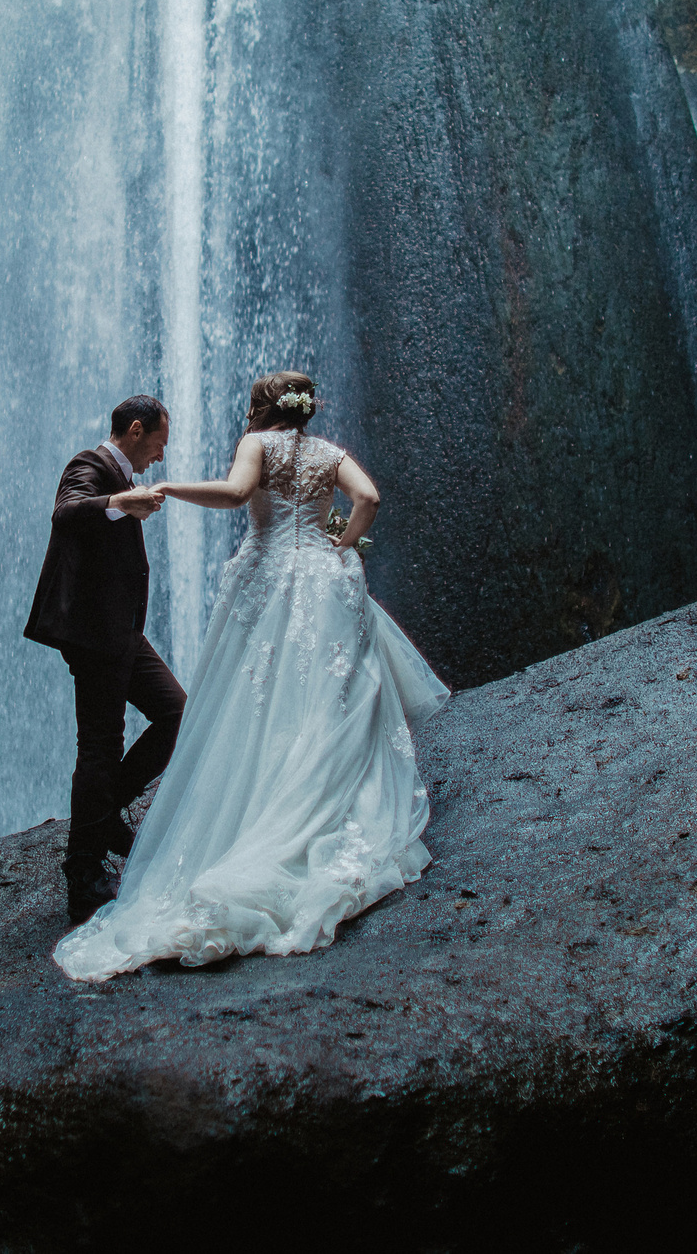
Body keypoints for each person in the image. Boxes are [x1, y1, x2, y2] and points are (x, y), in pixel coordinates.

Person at [51, 371, 449, 981]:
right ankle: (99, 839)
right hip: (317, 579)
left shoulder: (257, 447)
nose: (165, 449)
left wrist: (172, 488)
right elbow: (368, 497)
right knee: (325, 692)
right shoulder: (328, 453)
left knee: (241, 698)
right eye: (161, 439)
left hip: (261, 581)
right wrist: (341, 543)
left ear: (263, 409)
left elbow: (238, 495)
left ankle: (125, 821)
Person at [23, 395, 186, 925]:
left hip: (120, 634)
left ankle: (104, 812)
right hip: (94, 637)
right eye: (159, 443)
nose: (160, 457)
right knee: (99, 747)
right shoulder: (88, 466)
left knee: (176, 712)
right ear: (135, 430)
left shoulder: (118, 476)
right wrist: (121, 503)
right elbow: (66, 513)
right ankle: (84, 875)